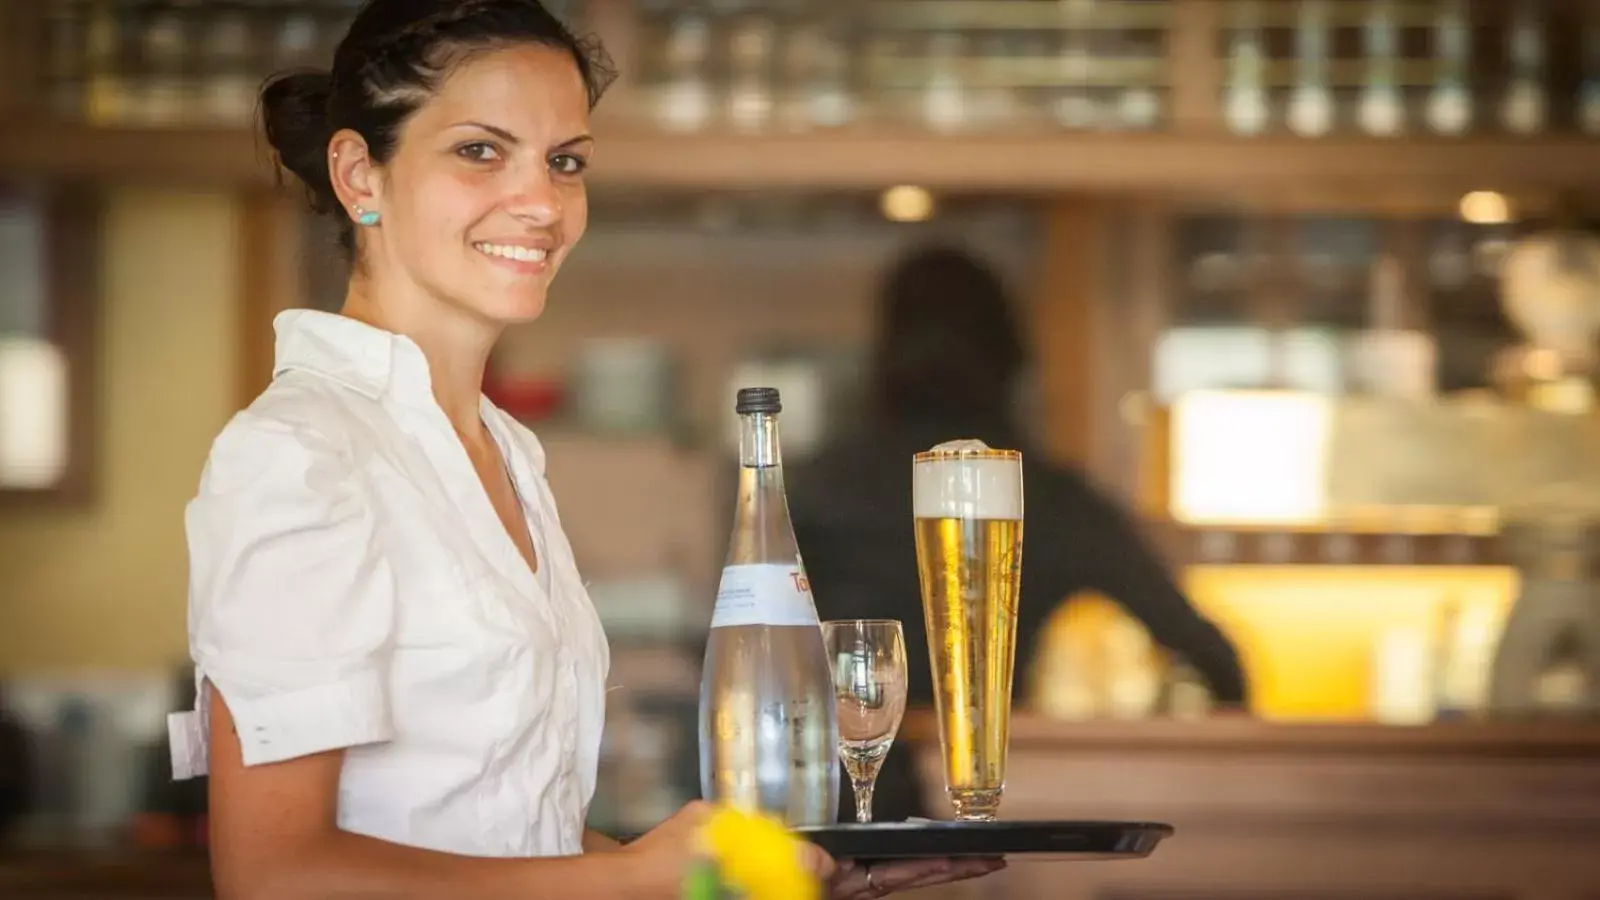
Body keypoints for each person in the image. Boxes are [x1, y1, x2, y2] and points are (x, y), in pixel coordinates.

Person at [165, 3, 1001, 899]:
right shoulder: (301, 455)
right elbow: (273, 873)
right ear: (359, 173)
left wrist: (750, 875)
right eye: (481, 151)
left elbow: (519, 835)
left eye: (565, 161)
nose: (542, 203)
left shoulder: (505, 453)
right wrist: (636, 877)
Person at [790, 243, 1250, 823]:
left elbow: (743, 646)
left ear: (881, 348)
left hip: (823, 819)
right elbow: (1218, 663)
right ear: (1012, 354)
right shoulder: (1050, 497)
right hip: (994, 818)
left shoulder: (812, 487)